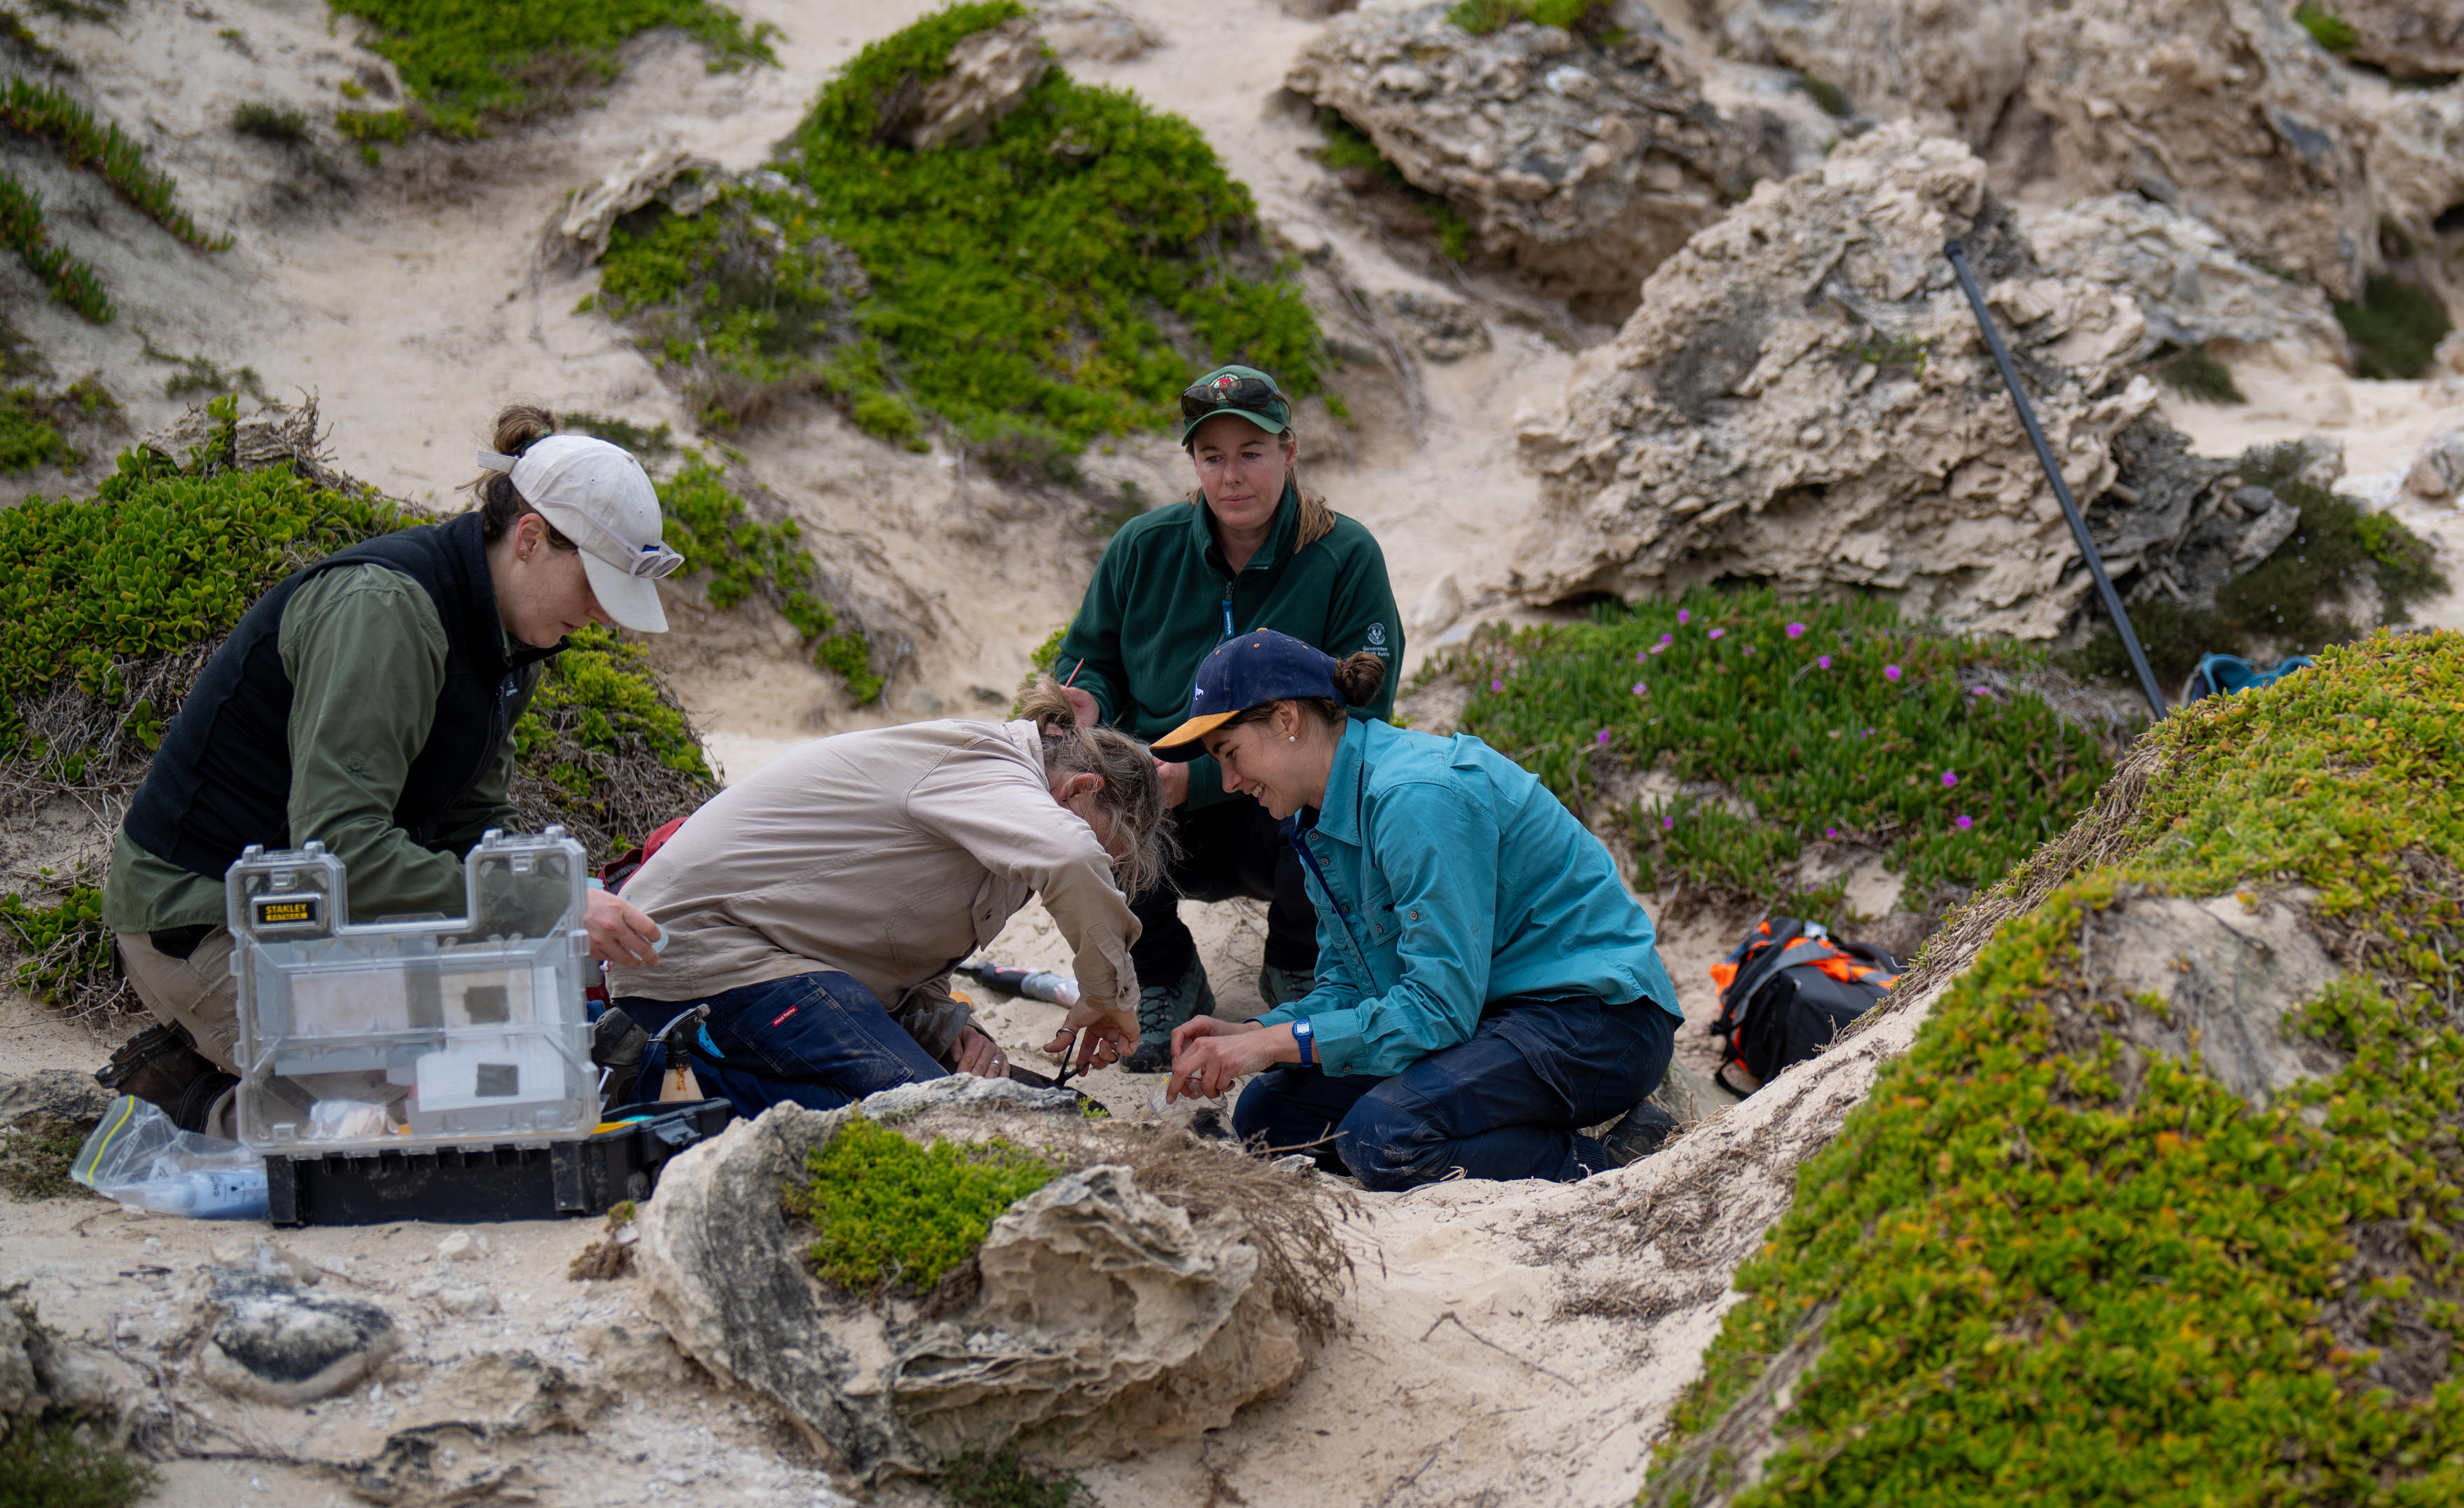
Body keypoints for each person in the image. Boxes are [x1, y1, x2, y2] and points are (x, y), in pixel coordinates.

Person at [98, 405, 675, 1130]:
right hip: (206, 920)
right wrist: (544, 907)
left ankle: (238, 1059)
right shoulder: (385, 611)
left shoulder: (514, 638)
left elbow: (474, 825)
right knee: (426, 1106)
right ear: (530, 538)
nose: (603, 616)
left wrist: (549, 891)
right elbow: (341, 849)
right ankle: (192, 1097)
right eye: (595, 586)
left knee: (513, 1063)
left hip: (322, 919)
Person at [1153, 631, 1681, 1188]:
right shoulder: (1320, 819)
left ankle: (1613, 1161)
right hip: (1492, 1016)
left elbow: (1438, 1007)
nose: (1230, 782)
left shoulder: (1412, 794)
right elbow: (1353, 986)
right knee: (1270, 1115)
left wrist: (1272, 1044)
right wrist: (1251, 1031)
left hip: (1597, 1020)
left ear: (1287, 719)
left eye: (1230, 753)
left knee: (1383, 1136)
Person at [1049, 363, 1403, 1060]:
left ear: (1289, 452)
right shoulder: (1141, 547)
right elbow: (1092, 663)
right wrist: (1088, 707)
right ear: (1193, 462)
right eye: (1212, 457)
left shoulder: (1344, 554)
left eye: (1251, 454)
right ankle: (1165, 977)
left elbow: (1366, 714)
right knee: (1080, 801)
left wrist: (1205, 777)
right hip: (1157, 806)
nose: (1231, 477)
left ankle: (1299, 966)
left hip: (1278, 808)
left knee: (1354, 781)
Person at [604, 678, 1160, 1114]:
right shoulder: (987, 764)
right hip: (702, 956)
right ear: (1081, 789)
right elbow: (1071, 855)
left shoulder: (1006, 826)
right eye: (1101, 845)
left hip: (786, 968)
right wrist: (1110, 995)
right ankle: (651, 1073)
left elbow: (901, 956)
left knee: (986, 1104)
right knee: (921, 1113)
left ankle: (681, 1071)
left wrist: (954, 1028)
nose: (1097, 863)